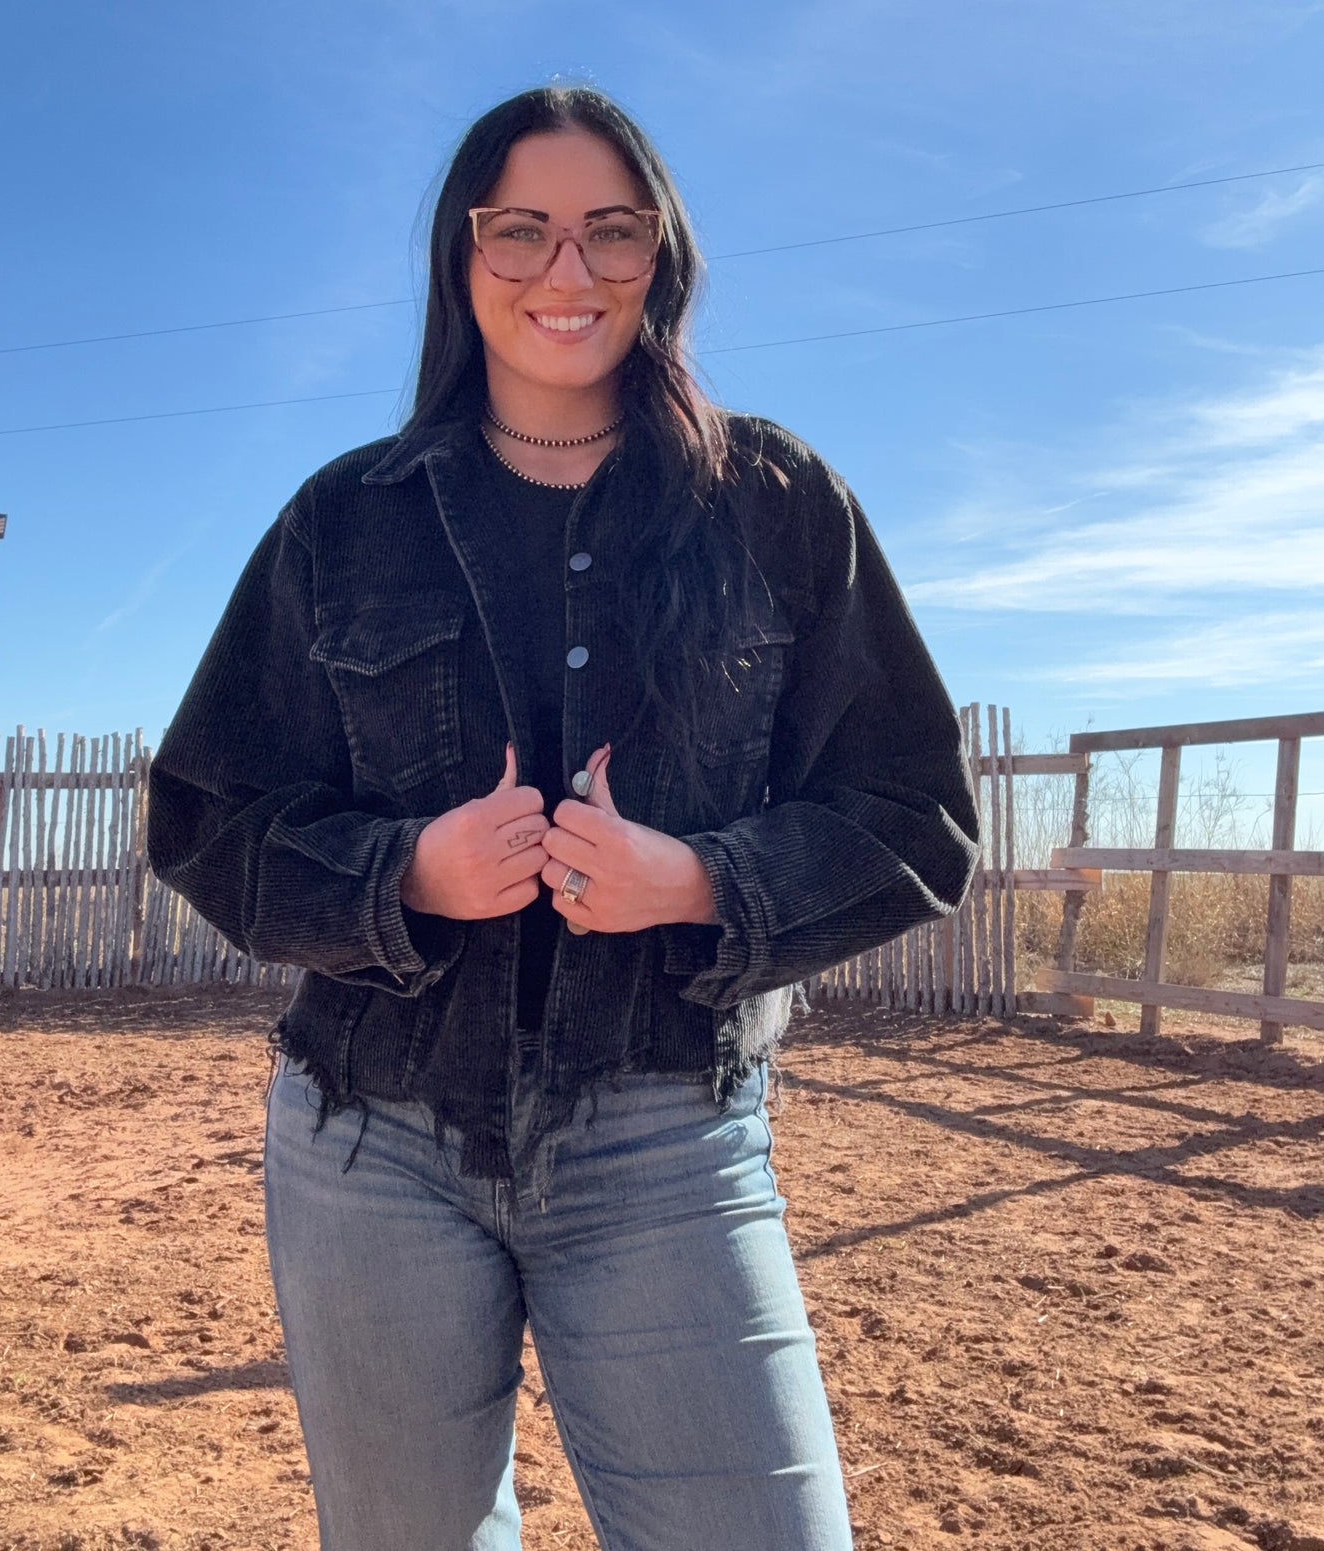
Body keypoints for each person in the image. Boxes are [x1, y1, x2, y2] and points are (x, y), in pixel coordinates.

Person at [147, 86, 979, 1551]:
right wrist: (399, 872)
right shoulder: (347, 517)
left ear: (660, 256)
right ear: (461, 259)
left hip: (666, 1132)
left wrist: (702, 880)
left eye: (609, 231)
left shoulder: (775, 504)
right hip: (367, 1138)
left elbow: (912, 816)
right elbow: (207, 814)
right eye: (520, 231)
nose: (565, 273)